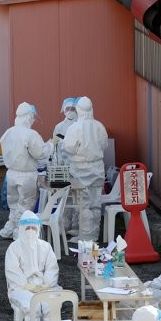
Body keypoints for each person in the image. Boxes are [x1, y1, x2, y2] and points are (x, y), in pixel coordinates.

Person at [3, 211, 60, 321]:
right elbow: (12, 272)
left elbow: (52, 268)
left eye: (33, 229)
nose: (30, 232)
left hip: (45, 286)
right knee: (32, 308)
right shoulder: (14, 248)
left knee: (51, 307)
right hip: (21, 289)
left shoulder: (46, 247)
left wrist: (47, 283)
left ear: (38, 229)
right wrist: (26, 285)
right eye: (27, 228)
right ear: (21, 229)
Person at [0, 102, 53, 239]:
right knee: (25, 205)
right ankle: (19, 233)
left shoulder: (8, 132)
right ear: (29, 117)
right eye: (32, 117)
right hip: (26, 174)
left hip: (11, 173)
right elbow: (40, 153)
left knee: (14, 204)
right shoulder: (31, 134)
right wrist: (50, 145)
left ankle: (9, 228)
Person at [62, 96, 108, 242]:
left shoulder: (75, 127)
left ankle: (86, 238)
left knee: (83, 205)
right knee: (95, 203)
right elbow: (104, 145)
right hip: (97, 168)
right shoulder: (99, 126)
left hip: (80, 170)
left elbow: (69, 148)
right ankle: (92, 237)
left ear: (78, 110)